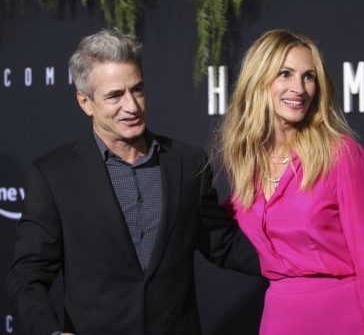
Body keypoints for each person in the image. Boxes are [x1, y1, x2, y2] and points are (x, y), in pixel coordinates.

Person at [7, 28, 259, 335]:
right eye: (115, 95)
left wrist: (308, 262)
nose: (132, 106)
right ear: (85, 102)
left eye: (137, 90)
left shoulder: (188, 163)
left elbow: (223, 243)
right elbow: (29, 275)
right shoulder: (53, 175)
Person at [216, 29, 364, 334]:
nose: (299, 88)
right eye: (285, 74)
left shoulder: (340, 153)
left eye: (308, 77)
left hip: (345, 315)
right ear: (259, 81)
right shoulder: (249, 165)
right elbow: (212, 223)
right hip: (279, 316)